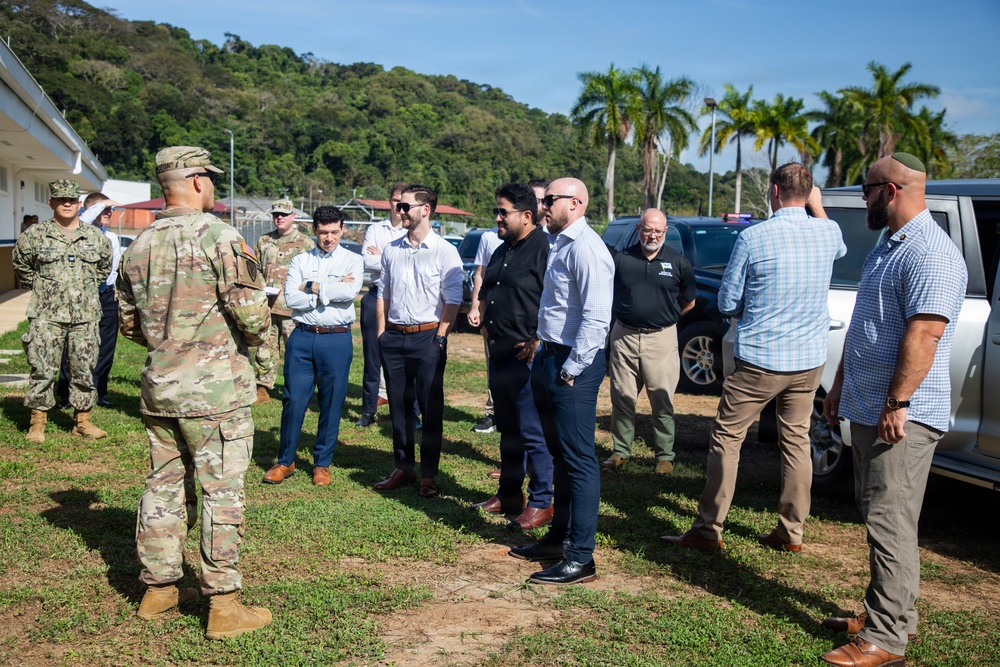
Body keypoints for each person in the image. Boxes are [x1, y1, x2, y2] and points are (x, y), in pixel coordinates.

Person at [117, 146, 273, 639]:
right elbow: (253, 316)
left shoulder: (138, 244)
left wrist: (169, 345)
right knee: (220, 492)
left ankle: (159, 589)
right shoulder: (220, 236)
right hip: (214, 394)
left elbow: (128, 324)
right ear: (199, 182)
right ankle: (223, 605)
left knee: (162, 486)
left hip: (160, 388)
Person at [819, 153, 967, 667]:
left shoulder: (931, 252)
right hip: (868, 404)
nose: (863, 199)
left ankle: (885, 638)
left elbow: (925, 334)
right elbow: (868, 324)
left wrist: (898, 402)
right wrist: (840, 383)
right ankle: (890, 613)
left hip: (901, 415)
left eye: (866, 189)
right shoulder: (890, 243)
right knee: (879, 514)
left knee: (890, 521)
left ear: (891, 190)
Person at [662, 163, 846, 554]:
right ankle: (791, 531)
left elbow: (728, 301)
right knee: (796, 441)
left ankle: (708, 528)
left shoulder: (754, 236)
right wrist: (817, 206)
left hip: (761, 357)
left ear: (774, 191)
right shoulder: (828, 232)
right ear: (809, 193)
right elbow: (839, 246)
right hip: (808, 360)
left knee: (727, 438)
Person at [507, 177, 613, 586]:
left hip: (573, 366)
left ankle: (581, 556)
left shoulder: (587, 248)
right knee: (561, 457)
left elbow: (596, 318)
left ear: (575, 203)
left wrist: (571, 369)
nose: (543, 206)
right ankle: (557, 539)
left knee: (579, 460)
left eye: (549, 200)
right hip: (551, 357)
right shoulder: (559, 243)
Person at [471, 183, 554, 530]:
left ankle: (542, 501)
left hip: (526, 355)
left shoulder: (545, 249)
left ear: (527, 215)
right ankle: (509, 493)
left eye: (503, 212)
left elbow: (556, 300)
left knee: (533, 431)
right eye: (497, 211)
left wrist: (538, 339)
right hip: (500, 351)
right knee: (508, 429)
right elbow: (488, 290)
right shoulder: (502, 248)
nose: (497, 217)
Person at [262, 206, 363, 487]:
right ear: (314, 230)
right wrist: (329, 288)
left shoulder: (353, 260)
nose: (329, 238)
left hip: (336, 338)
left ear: (342, 230)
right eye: (323, 232)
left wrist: (312, 286)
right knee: (293, 400)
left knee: (331, 402)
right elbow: (291, 299)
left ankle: (322, 464)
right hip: (303, 337)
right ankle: (285, 461)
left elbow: (350, 292)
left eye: (334, 232)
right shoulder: (300, 260)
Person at [373, 184, 464, 498]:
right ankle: (403, 467)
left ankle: (428, 475)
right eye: (398, 206)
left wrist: (439, 339)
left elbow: (453, 300)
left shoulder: (445, 251)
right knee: (398, 407)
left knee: (430, 408)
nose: (399, 211)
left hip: (428, 337)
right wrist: (382, 333)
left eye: (405, 206)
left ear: (425, 210)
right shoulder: (392, 249)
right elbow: (383, 293)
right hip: (394, 337)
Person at [13, 179, 112, 443]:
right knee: (43, 368)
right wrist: (45, 288)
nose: (66, 204)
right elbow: (21, 264)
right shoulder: (35, 235)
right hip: (47, 314)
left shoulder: (95, 237)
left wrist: (83, 289)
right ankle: (38, 422)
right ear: (51, 203)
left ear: (79, 204)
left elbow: (104, 268)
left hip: (85, 315)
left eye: (71, 200)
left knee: (84, 367)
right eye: (61, 200)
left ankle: (83, 421)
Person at [603, 208, 696, 474]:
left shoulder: (679, 263)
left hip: (661, 339)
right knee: (622, 397)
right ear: (638, 229)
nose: (652, 235)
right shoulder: (621, 259)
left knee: (662, 400)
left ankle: (665, 457)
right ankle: (621, 451)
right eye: (647, 230)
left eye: (657, 231)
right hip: (624, 337)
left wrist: (668, 319)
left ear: (665, 231)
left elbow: (689, 301)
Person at [56, 192, 122, 409]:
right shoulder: (78, 231)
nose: (109, 212)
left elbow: (114, 269)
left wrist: (116, 289)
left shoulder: (111, 237)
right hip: (80, 297)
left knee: (105, 347)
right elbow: (83, 221)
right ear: (91, 210)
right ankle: (66, 395)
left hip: (107, 296)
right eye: (105, 209)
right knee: (73, 346)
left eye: (110, 209)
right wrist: (100, 204)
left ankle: (97, 392)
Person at [252, 197, 315, 404]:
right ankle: (263, 387)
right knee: (265, 348)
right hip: (268, 306)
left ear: (292, 216)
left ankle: (296, 388)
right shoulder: (264, 241)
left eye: (284, 215)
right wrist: (260, 283)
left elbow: (313, 274)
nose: (279, 218)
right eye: (276, 215)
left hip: (292, 308)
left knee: (295, 351)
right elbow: (254, 268)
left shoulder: (305, 243)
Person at [356, 181, 409, 428]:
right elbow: (367, 261)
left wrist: (383, 255)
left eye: (405, 202)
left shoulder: (412, 229)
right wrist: (398, 258)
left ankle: (410, 411)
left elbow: (414, 263)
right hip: (377, 295)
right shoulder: (376, 229)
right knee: (372, 356)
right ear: (390, 201)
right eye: (397, 200)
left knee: (407, 357)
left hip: (404, 299)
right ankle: (368, 410)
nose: (400, 206)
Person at [467, 224, 503, 433]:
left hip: (523, 315)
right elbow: (480, 273)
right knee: (493, 362)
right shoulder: (489, 237)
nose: (499, 216)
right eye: (497, 210)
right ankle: (493, 413)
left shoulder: (541, 236)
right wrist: (475, 306)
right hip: (492, 310)